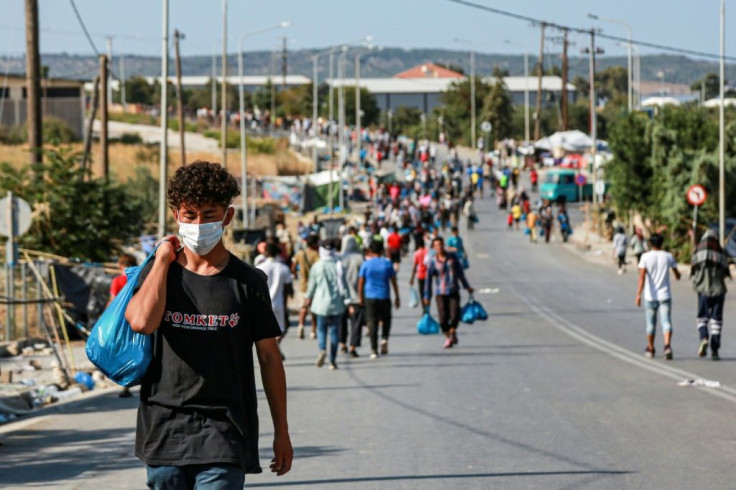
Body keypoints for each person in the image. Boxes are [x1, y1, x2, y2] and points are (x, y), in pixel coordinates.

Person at [125, 161, 292, 488]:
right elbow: (142, 322)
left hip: (225, 430)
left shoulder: (248, 282)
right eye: (190, 215)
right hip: (164, 429)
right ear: (176, 214)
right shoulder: (159, 275)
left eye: (209, 214)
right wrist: (161, 260)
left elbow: (270, 359)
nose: (199, 223)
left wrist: (281, 433)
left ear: (227, 217)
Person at [305, 239, 350, 370]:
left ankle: (322, 349)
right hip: (337, 304)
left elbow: (311, 287)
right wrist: (348, 301)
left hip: (320, 305)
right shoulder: (339, 265)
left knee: (321, 329)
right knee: (335, 332)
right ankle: (332, 361)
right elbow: (345, 287)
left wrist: (308, 299)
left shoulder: (317, 266)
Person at [635, 233, 681, 360]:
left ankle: (650, 348)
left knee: (651, 324)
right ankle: (667, 346)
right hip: (665, 295)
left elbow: (642, 276)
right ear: (662, 243)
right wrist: (677, 275)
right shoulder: (668, 256)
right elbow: (677, 273)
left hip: (650, 296)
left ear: (650, 243)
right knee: (666, 322)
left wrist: (638, 294)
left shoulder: (645, 257)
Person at [424, 236, 474, 349]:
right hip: (440, 292)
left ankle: (452, 331)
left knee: (455, 314)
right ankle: (448, 336)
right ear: (434, 247)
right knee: (442, 318)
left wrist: (467, 287)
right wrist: (427, 295)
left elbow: (460, 273)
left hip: (453, 290)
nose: (439, 247)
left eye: (441, 245)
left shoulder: (452, 258)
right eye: (436, 245)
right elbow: (428, 279)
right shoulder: (432, 261)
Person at [690, 230, 731, 360]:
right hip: (719, 291)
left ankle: (704, 338)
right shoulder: (720, 252)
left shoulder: (698, 251)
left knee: (702, 317)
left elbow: (693, 269)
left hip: (703, 290)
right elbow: (726, 272)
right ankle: (715, 350)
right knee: (716, 320)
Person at [358, 241, 400, 359]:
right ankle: (384, 338)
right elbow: (393, 281)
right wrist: (397, 296)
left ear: (370, 251)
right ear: (382, 251)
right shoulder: (387, 264)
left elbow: (361, 282)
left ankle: (374, 349)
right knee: (386, 319)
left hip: (370, 297)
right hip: (384, 296)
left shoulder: (366, 264)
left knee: (372, 322)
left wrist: (360, 297)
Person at [108, 253, 138, 398]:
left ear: (120, 266)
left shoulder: (118, 281)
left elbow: (113, 302)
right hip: (138, 320)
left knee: (122, 353)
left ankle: (125, 385)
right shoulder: (140, 278)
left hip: (121, 322)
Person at [257, 243, 294, 354]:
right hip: (278, 303)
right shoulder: (283, 268)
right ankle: (276, 346)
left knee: (264, 331)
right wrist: (285, 304)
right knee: (282, 328)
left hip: (263, 305)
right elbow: (287, 288)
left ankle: (272, 349)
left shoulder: (259, 268)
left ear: (266, 253)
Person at [340, 235, 365, 358]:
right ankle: (352, 347)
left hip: (342, 297)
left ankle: (342, 344)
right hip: (357, 296)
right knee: (356, 323)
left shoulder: (340, 259)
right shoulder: (360, 258)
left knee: (342, 322)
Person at [292, 234, 320, 339]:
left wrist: (296, 274)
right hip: (314, 285)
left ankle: (301, 326)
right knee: (313, 309)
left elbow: (293, 267)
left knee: (303, 308)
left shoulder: (300, 253)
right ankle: (313, 330)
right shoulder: (316, 254)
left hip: (302, 285)